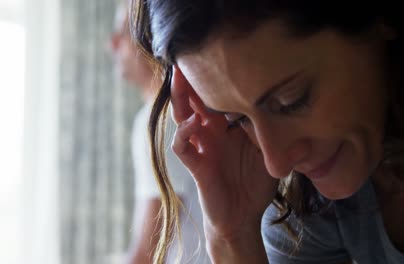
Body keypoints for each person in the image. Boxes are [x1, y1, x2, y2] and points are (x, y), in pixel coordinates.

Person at [129, 0, 404, 263]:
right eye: (238, 119)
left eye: (291, 101)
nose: (277, 165)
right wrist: (234, 237)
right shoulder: (312, 202)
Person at [109, 2, 209, 263]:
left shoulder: (160, 120)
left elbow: (146, 254)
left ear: (152, 38)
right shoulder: (178, 110)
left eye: (123, 32)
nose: (112, 45)